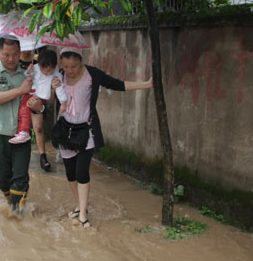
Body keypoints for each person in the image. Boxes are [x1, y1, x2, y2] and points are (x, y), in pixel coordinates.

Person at [52, 48, 152, 229]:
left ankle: (82, 214)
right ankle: (80, 205)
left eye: (73, 66)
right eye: (66, 66)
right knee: (70, 173)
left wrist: (146, 85)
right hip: (65, 130)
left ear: (80, 62)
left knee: (82, 171)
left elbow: (117, 84)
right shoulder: (59, 75)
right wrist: (52, 87)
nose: (69, 70)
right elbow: (44, 93)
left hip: (86, 130)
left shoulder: (92, 74)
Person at [0, 37, 44, 212]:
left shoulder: (27, 72)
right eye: (6, 54)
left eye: (15, 54)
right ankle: (13, 204)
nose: (11, 59)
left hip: (20, 132)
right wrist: (20, 90)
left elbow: (38, 100)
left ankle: (16, 212)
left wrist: (39, 106)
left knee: (20, 176)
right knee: (2, 179)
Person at [9, 49, 67, 144]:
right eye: (42, 69)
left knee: (25, 109)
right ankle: (22, 131)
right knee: (22, 111)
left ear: (55, 66)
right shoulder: (35, 67)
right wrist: (28, 71)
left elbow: (60, 90)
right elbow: (28, 76)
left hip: (40, 96)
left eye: (48, 70)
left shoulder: (57, 75)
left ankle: (24, 132)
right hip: (30, 93)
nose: (44, 72)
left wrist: (63, 103)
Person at [18, 48, 53, 172]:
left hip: (36, 97)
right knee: (21, 128)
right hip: (20, 98)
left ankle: (43, 156)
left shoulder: (39, 60)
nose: (27, 50)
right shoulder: (14, 60)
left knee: (38, 127)